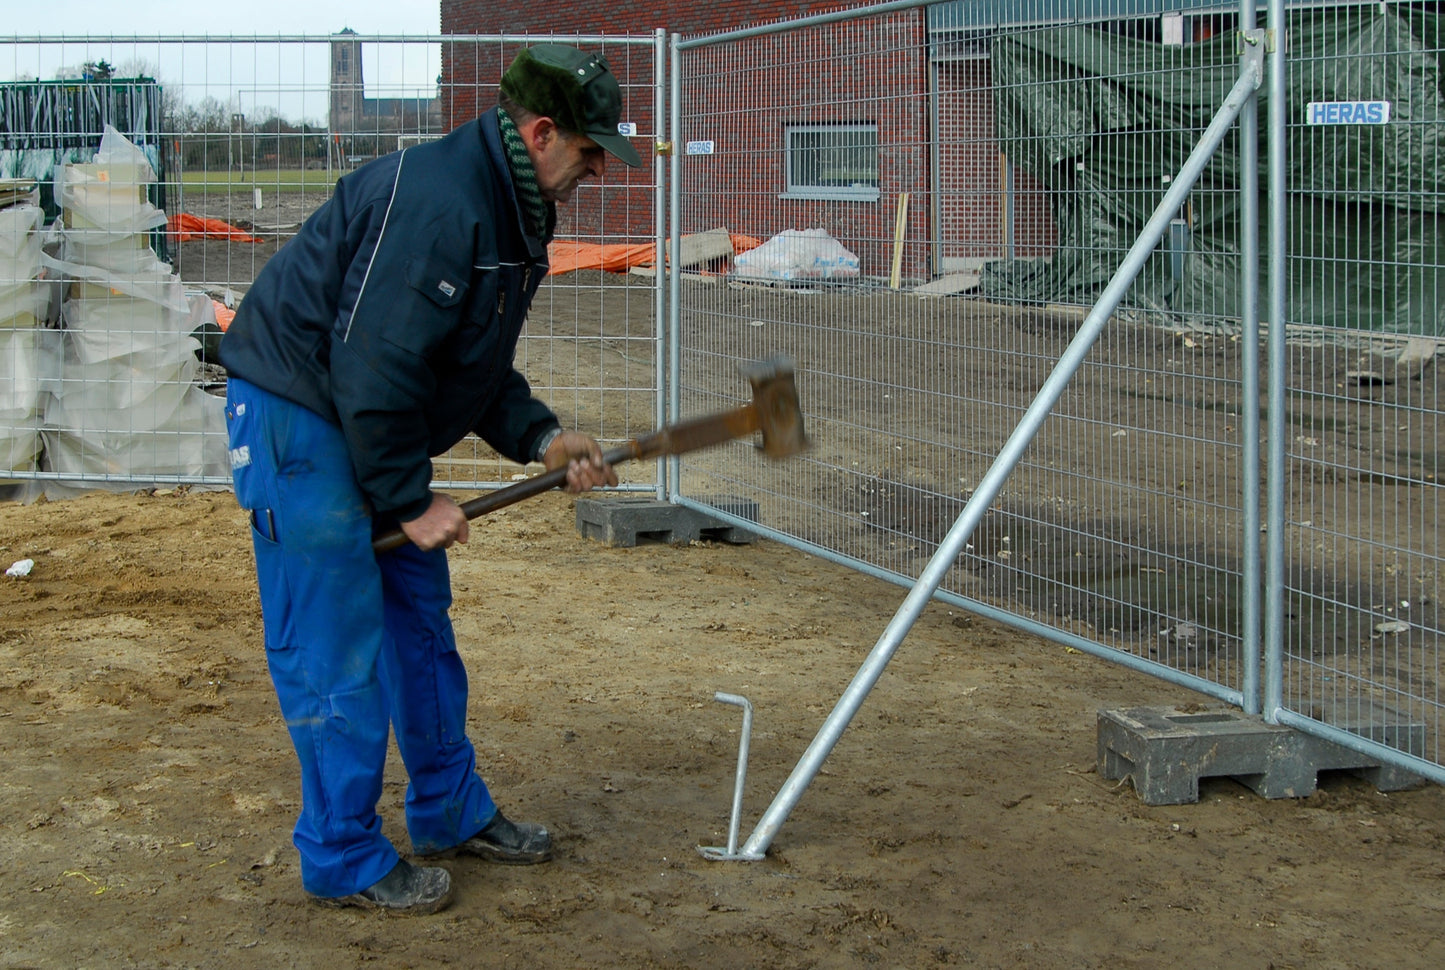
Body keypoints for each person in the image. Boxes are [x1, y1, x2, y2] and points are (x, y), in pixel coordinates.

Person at [216, 44, 641, 914]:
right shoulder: (444, 207)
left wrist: (544, 437)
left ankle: (448, 808)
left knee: (419, 626)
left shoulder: (511, 208)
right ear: (542, 131)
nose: (597, 169)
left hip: (365, 414)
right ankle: (342, 857)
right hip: (301, 410)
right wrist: (409, 498)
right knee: (337, 641)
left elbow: (468, 367)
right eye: (591, 150)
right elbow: (375, 369)